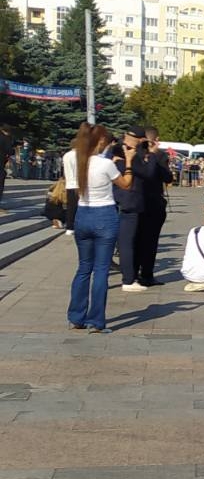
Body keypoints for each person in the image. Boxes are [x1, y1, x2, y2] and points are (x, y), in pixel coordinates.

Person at [66, 125, 132, 332]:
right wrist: (128, 162)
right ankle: (96, 321)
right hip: (104, 214)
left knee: (84, 267)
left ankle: (76, 317)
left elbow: (74, 189)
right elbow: (126, 184)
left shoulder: (77, 162)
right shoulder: (105, 165)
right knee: (101, 269)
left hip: (83, 214)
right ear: (101, 141)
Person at [130, 126, 173, 285]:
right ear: (156, 140)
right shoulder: (159, 155)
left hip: (135, 201)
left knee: (136, 239)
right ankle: (147, 274)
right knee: (151, 241)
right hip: (154, 202)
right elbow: (167, 177)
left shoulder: (133, 154)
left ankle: (132, 273)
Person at [110, 131, 148, 293]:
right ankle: (128, 279)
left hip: (119, 203)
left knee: (123, 243)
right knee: (126, 244)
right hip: (128, 204)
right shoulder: (131, 160)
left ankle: (126, 276)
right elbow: (147, 173)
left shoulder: (116, 158)